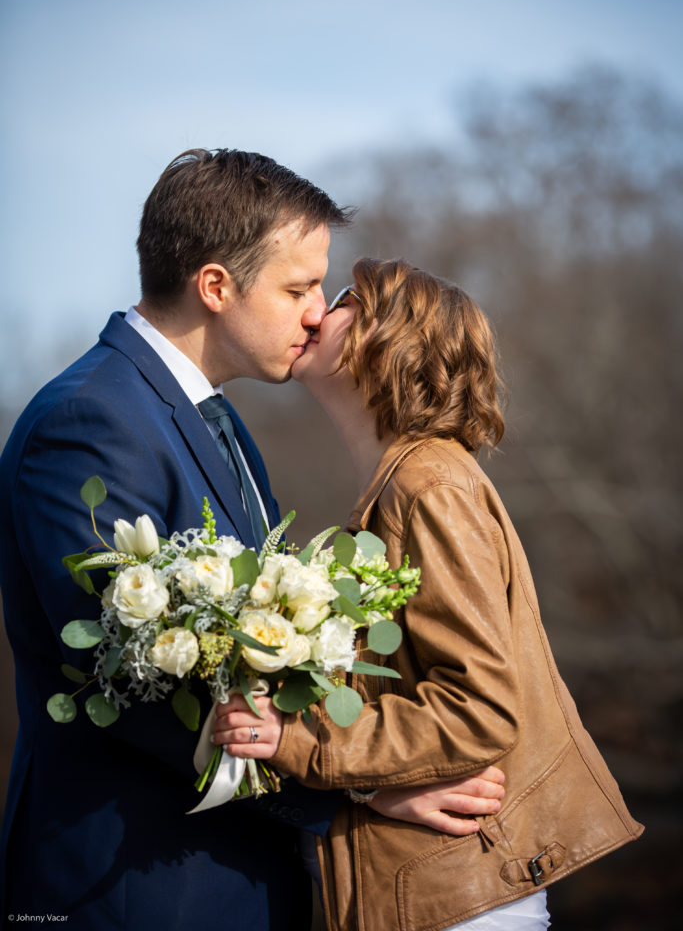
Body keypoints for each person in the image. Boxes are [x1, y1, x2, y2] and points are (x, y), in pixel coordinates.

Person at [0, 153, 504, 930]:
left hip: (237, 880)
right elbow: (133, 684)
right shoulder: (89, 422)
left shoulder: (221, 421)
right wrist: (362, 790)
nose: (316, 313)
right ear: (214, 287)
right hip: (135, 888)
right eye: (298, 288)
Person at [213, 258, 644, 930]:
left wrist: (298, 737)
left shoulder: (430, 486)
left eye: (350, 299)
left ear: (391, 343)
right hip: (428, 886)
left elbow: (477, 709)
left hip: (456, 898)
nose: (318, 309)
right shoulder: (402, 485)